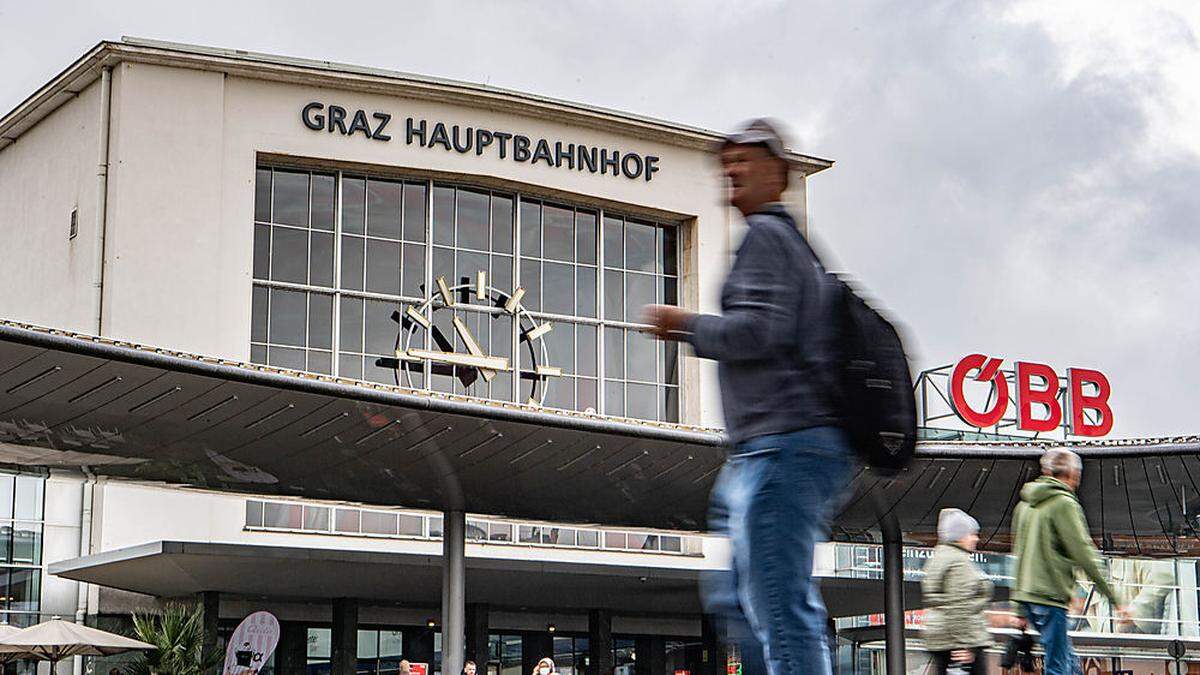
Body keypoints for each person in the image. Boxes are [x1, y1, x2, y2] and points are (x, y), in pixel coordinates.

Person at [644, 118, 852, 675]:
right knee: (735, 594)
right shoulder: (789, 244)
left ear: (779, 173)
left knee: (778, 606)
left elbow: (761, 332)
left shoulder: (768, 236)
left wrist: (685, 323)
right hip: (769, 448)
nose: (732, 169)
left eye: (746, 160)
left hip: (783, 445)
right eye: (727, 161)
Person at [1011, 448, 1130, 674]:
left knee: (1070, 664)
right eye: (1077, 476)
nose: (1077, 482)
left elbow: (1018, 556)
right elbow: (1084, 552)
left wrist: (1019, 607)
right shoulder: (1064, 503)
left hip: (1028, 596)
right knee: (1058, 666)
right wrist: (1114, 597)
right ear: (1071, 475)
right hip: (1050, 596)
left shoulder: (1024, 505)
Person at [921, 508, 993, 674]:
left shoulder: (940, 556)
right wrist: (965, 645)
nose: (976, 538)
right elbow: (960, 606)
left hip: (942, 639)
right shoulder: (958, 562)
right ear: (959, 536)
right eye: (972, 534)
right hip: (960, 643)